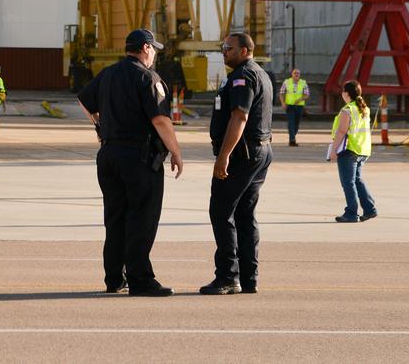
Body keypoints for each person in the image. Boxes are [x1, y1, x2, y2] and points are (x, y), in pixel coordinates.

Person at [78, 29, 184, 297]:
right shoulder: (148, 78)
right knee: (142, 217)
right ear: (146, 48)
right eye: (154, 49)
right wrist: (176, 152)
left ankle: (114, 277)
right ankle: (140, 279)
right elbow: (160, 120)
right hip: (139, 158)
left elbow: (84, 101)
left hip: (109, 155)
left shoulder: (108, 73)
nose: (155, 54)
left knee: (115, 218)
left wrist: (101, 128)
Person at [202, 32, 273, 296]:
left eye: (228, 48)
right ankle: (248, 277)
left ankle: (228, 277)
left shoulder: (243, 76)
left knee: (221, 212)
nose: (223, 52)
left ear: (244, 51)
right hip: (260, 150)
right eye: (223, 47)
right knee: (244, 214)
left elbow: (240, 118)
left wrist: (224, 157)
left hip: (243, 154)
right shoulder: (260, 73)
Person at [328, 79, 379, 223]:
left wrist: (333, 150)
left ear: (346, 93)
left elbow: (342, 131)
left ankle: (351, 213)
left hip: (349, 149)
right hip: (362, 149)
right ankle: (370, 209)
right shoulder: (364, 109)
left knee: (348, 183)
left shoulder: (348, 110)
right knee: (357, 180)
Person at [279, 68, 310, 146]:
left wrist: (300, 99)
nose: (296, 74)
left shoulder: (303, 83)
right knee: (291, 122)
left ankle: (293, 135)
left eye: (298, 73)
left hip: (299, 106)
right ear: (292, 74)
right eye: (295, 73)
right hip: (289, 106)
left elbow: (307, 94)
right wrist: (283, 103)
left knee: (296, 123)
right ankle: (292, 139)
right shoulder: (287, 82)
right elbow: (282, 93)